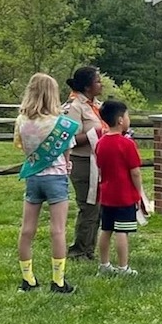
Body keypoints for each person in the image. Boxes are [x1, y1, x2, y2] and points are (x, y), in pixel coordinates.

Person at [14, 73, 80, 293]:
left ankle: (28, 279)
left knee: (27, 230)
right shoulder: (62, 123)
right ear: (52, 94)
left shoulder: (22, 120)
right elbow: (68, 151)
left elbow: (24, 148)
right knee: (58, 230)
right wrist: (67, 164)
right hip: (56, 177)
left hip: (34, 177)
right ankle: (58, 281)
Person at [95, 100, 150, 276]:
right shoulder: (127, 144)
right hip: (124, 195)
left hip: (107, 194)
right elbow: (135, 172)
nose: (128, 119)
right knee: (122, 231)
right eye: (127, 116)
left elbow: (100, 165)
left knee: (106, 229)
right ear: (120, 120)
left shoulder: (101, 142)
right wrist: (139, 191)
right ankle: (123, 267)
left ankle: (104, 265)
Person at [63, 65, 105, 260]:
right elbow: (68, 138)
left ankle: (89, 250)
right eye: (97, 81)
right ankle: (78, 250)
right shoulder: (75, 106)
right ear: (88, 86)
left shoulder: (95, 105)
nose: (101, 83)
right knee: (88, 205)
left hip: (98, 161)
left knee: (97, 206)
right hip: (82, 161)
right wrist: (93, 134)